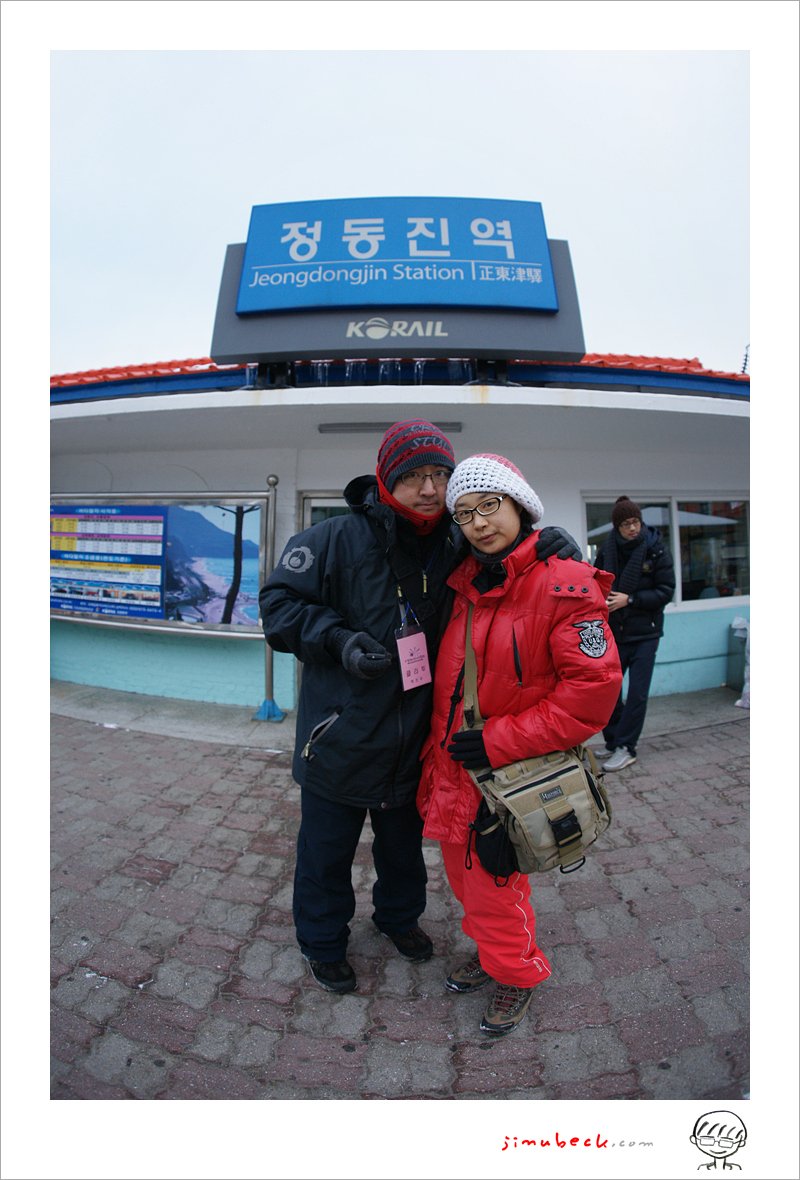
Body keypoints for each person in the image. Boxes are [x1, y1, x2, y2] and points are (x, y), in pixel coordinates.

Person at [259, 422, 582, 995]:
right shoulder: (332, 538)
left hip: (417, 741)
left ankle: (398, 919)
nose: (430, 489)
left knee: (403, 851)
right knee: (325, 853)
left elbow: (511, 565)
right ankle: (323, 941)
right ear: (386, 479)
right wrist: (337, 640)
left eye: (439, 474)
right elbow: (278, 606)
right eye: (412, 476)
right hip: (339, 736)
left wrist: (549, 546)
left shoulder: (457, 541)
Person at [417, 454, 621, 1035]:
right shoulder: (465, 582)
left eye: (490, 505)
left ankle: (517, 973)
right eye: (464, 513)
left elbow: (592, 695)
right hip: (455, 770)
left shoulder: (565, 583)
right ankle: (493, 954)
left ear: (520, 505)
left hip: (507, 773)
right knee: (466, 879)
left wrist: (499, 741)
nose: (479, 522)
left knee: (494, 884)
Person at [594, 495, 676, 771]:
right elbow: (598, 582)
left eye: (636, 522)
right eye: (626, 523)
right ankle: (613, 741)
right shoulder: (608, 550)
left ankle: (626, 747)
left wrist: (629, 600)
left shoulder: (655, 550)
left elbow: (666, 591)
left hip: (646, 634)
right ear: (617, 526)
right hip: (615, 633)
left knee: (637, 694)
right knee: (609, 692)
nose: (632, 528)